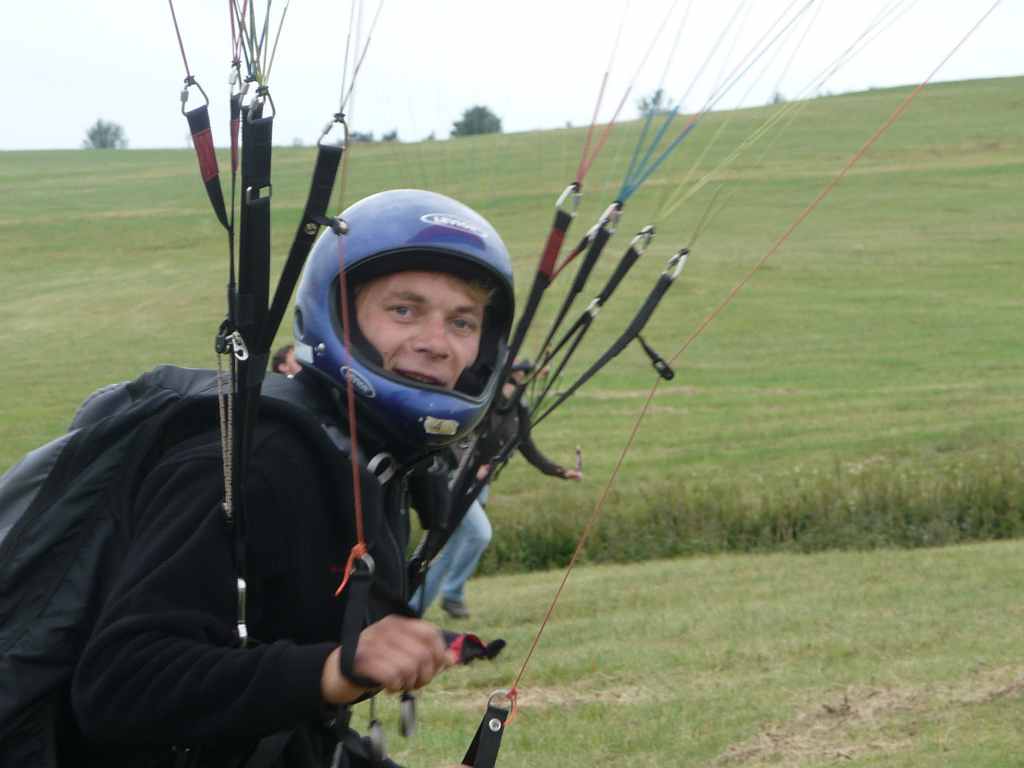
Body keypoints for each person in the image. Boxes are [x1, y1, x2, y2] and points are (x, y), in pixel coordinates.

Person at [63, 189, 515, 767]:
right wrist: (328, 671)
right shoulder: (258, 459)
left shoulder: (370, 463)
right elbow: (118, 686)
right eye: (404, 310)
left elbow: (288, 734)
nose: (437, 343)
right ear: (340, 316)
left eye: (462, 322)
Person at [412, 358, 582, 620]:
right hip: (458, 480)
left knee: (451, 549)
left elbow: (527, 447)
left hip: (480, 487)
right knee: (480, 534)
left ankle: (415, 608)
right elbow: (459, 436)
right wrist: (472, 465)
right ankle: (451, 594)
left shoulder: (518, 408)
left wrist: (560, 471)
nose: (522, 382)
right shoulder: (483, 402)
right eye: (520, 376)